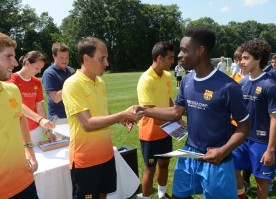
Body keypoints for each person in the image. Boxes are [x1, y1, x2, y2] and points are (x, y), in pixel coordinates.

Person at [142, 27, 250, 199]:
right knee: (179, 196)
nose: (179, 55)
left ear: (200, 51)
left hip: (217, 159)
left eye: (184, 50)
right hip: (189, 154)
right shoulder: (187, 80)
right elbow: (175, 113)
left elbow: (244, 127)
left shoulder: (228, 87)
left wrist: (222, 151)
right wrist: (142, 111)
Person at [62, 36, 144, 199]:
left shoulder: (100, 82)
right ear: (86, 58)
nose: (106, 63)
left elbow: (100, 113)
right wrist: (121, 114)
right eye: (102, 59)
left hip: (106, 155)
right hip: (85, 160)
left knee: (103, 195)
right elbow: (87, 123)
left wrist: (119, 118)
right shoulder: (73, 84)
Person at [233, 39, 276, 199]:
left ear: (258, 59)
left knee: (261, 180)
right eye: (241, 58)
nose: (241, 61)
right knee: (232, 169)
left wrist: (270, 150)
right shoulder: (243, 82)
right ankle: (242, 196)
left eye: (246, 58)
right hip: (242, 139)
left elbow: (275, 119)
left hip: (262, 142)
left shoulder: (269, 85)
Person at [136, 41, 177, 199]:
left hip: (166, 130)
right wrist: (174, 114)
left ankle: (161, 194)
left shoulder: (167, 76)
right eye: (170, 58)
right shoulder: (146, 79)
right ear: (160, 58)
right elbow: (148, 110)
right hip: (150, 133)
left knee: (165, 163)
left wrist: (177, 114)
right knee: (150, 168)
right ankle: (145, 197)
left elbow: (169, 101)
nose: (173, 61)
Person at [0, 32, 39, 198]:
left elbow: (21, 118)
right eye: (9, 57)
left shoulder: (12, 90)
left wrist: (30, 153)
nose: (15, 63)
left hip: (25, 181)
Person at [7, 51, 56, 146]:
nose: (39, 71)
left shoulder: (36, 82)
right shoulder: (12, 79)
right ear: (27, 63)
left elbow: (40, 107)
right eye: (37, 67)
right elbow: (17, 105)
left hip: (35, 129)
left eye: (41, 68)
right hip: (18, 130)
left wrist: (47, 131)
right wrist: (40, 120)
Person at [42, 42, 73, 121]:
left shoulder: (70, 70)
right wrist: (73, 85)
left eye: (67, 57)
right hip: (58, 118)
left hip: (72, 114)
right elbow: (55, 98)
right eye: (61, 57)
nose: (64, 60)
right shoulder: (49, 73)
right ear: (54, 56)